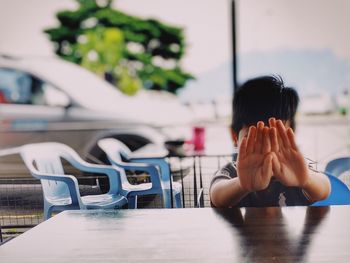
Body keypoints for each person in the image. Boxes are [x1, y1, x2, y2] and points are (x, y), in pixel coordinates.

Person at [209, 75, 331, 207]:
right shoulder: (233, 171)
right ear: (234, 136)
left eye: (275, 137)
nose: (266, 147)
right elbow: (217, 195)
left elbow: (324, 189)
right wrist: (241, 185)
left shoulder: (294, 169)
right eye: (255, 139)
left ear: (290, 136)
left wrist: (305, 180)